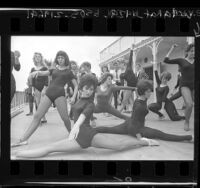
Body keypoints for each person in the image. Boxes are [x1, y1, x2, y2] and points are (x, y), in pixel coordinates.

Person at [14, 74, 158, 159]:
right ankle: (19, 154)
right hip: (78, 140)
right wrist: (17, 156)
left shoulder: (89, 104)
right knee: (51, 148)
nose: (88, 91)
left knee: (118, 146)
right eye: (86, 88)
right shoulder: (78, 100)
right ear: (82, 87)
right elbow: (74, 112)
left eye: (91, 89)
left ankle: (145, 142)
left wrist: (75, 126)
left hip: (90, 136)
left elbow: (84, 115)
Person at [11, 51, 78, 147]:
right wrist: (36, 72)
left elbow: (76, 86)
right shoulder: (53, 69)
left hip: (60, 94)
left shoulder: (69, 72)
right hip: (49, 93)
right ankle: (23, 139)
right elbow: (43, 73)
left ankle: (71, 133)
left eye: (62, 58)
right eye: (58, 57)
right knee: (37, 116)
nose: (60, 59)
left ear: (65, 59)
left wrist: (74, 97)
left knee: (65, 118)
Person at [94, 80, 193, 143]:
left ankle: (92, 129)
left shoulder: (141, 98)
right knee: (161, 134)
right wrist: (139, 138)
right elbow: (134, 125)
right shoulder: (139, 106)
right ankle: (188, 137)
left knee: (109, 129)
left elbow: (139, 93)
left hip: (129, 123)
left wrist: (139, 87)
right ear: (144, 92)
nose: (150, 93)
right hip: (136, 128)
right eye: (149, 91)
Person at [163, 43, 194, 131]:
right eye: (191, 51)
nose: (193, 53)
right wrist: (171, 48)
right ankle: (186, 121)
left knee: (190, 105)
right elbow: (166, 60)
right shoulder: (181, 61)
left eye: (195, 51)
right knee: (189, 104)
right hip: (185, 86)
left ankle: (181, 114)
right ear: (187, 52)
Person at [29, 52, 49, 123]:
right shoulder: (32, 69)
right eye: (36, 57)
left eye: (39, 56)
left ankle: (43, 117)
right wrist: (32, 90)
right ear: (34, 59)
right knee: (38, 103)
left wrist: (45, 88)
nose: (37, 58)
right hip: (36, 88)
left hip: (43, 87)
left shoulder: (44, 68)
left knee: (43, 103)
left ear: (41, 58)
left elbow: (47, 79)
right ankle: (41, 117)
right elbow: (32, 81)